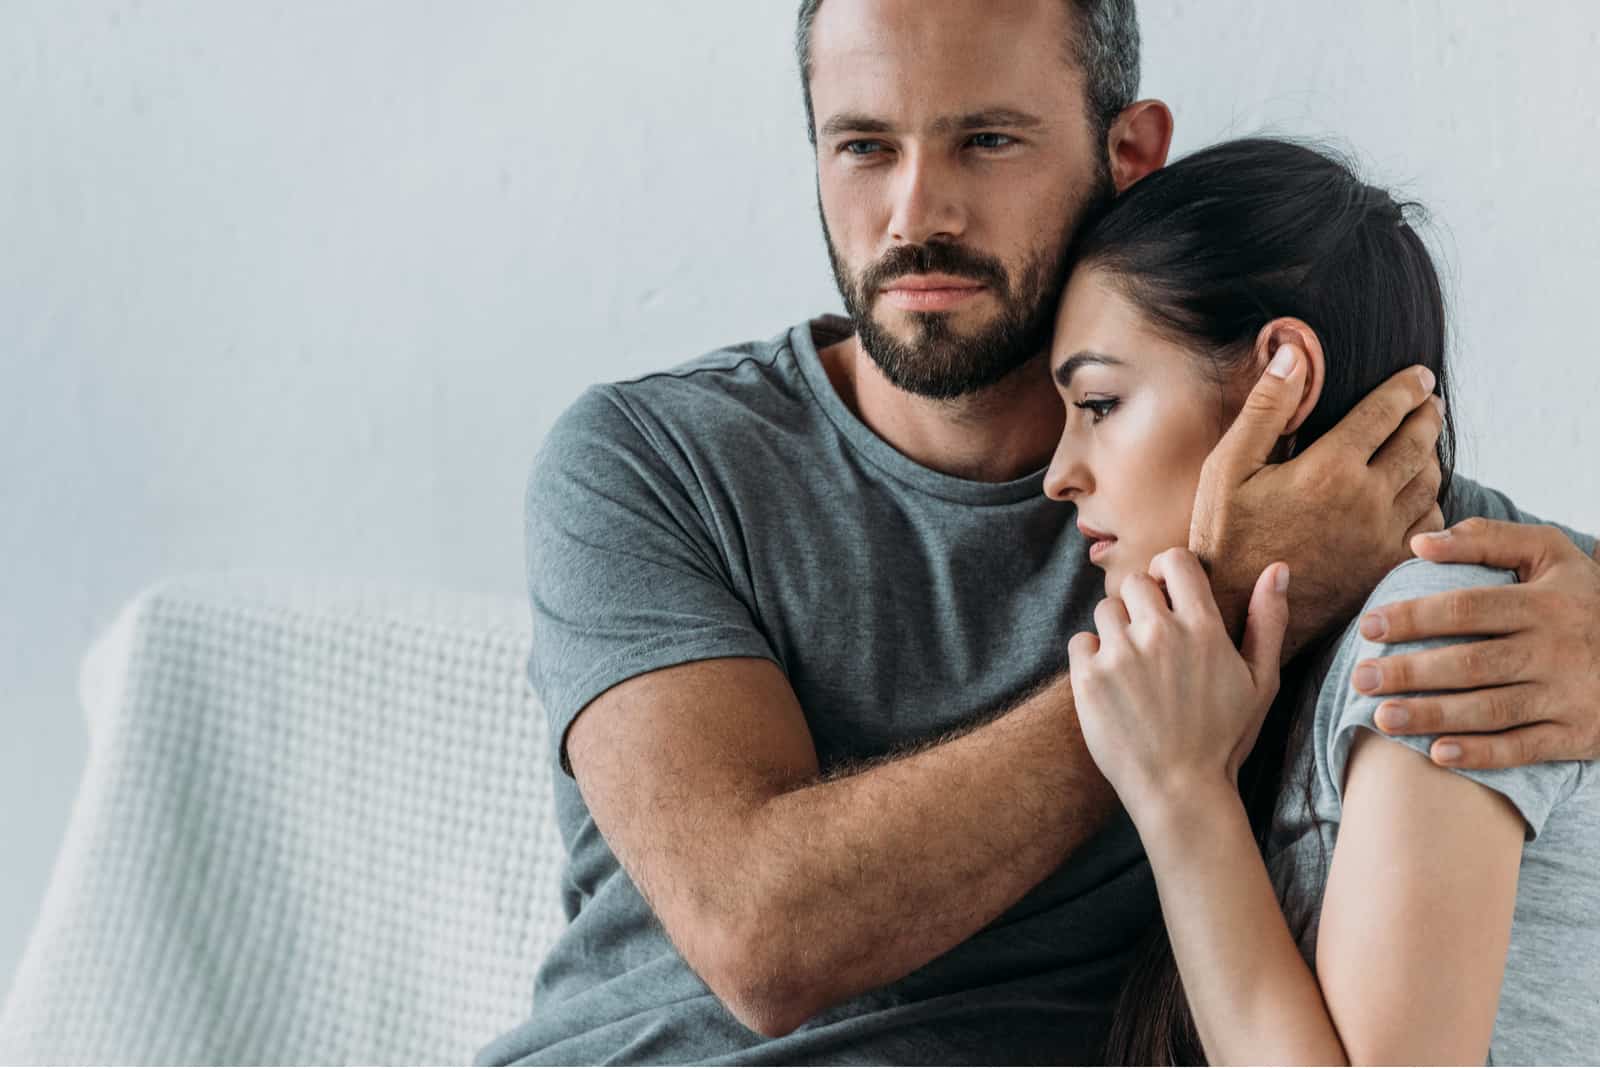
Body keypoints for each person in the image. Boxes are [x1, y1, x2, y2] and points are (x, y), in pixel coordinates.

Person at [474, 2, 1600, 1063]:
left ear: (1128, 155)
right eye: (864, 146)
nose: (916, 213)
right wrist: (1212, 608)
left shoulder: (1323, 513)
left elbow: (1494, 618)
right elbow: (762, 939)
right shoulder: (649, 460)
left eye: (987, 141)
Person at [1045, 136, 1599, 1065]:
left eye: (1099, 403)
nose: (1061, 474)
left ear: (1282, 378)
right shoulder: (1299, 676)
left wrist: (1182, 795)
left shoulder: (1437, 628)